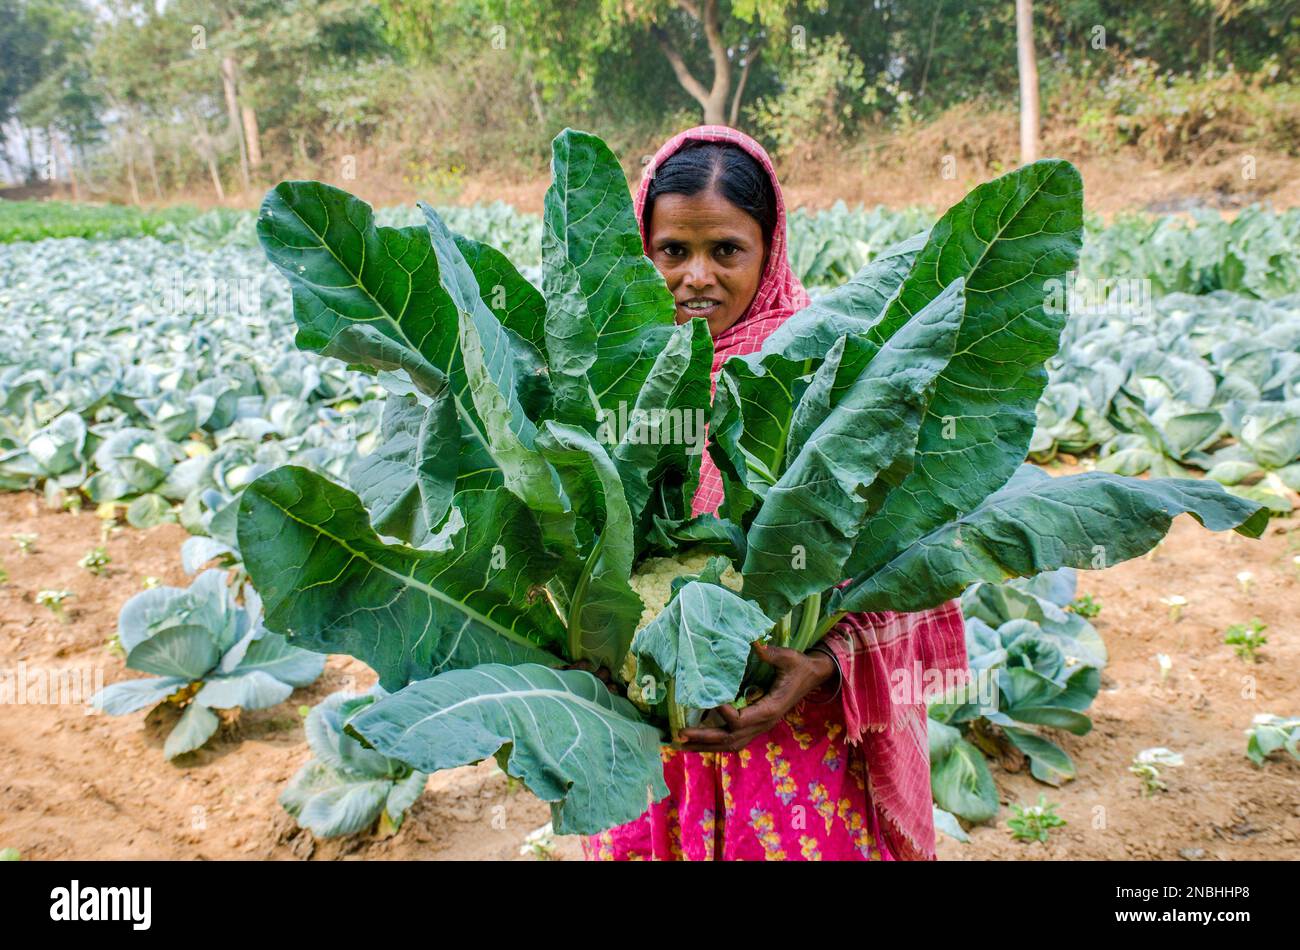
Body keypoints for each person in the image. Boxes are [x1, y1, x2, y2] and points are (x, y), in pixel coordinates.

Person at [579, 126, 970, 862]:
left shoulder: (832, 372)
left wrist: (818, 668)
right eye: (673, 252)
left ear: (769, 250)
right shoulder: (606, 382)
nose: (697, 275)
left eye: (726, 250)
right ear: (644, 250)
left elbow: (911, 559)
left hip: (799, 737)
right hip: (649, 745)